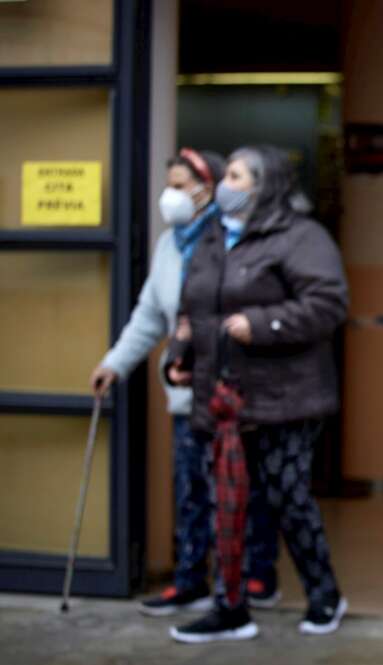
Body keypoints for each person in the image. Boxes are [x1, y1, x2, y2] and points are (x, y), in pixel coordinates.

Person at [166, 145, 350, 643]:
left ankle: (324, 594)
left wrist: (261, 324)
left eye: (239, 175)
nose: (228, 183)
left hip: (286, 397)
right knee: (224, 499)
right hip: (221, 396)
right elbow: (193, 308)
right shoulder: (211, 236)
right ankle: (231, 609)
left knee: (287, 496)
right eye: (227, 174)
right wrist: (179, 356)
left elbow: (328, 303)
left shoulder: (301, 237)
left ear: (266, 184)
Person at [89, 148, 280, 616]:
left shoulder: (227, 237)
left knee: (243, 490)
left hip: (231, 393)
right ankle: (191, 578)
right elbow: (151, 315)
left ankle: (252, 578)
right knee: (191, 491)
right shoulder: (168, 245)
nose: (170, 196)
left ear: (207, 187)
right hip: (184, 393)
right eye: (169, 185)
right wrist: (115, 363)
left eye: (180, 185)